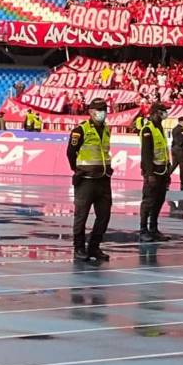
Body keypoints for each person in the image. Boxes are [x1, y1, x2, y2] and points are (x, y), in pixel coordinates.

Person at [67, 98, 113, 262]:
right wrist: (77, 169)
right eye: (99, 109)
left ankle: (94, 247)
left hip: (103, 179)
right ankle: (79, 248)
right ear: (91, 112)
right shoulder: (80, 130)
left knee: (104, 215)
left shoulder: (107, 130)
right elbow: (71, 153)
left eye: (104, 109)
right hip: (85, 180)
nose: (102, 113)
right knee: (81, 216)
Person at [139, 103, 171, 242]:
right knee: (148, 201)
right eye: (163, 111)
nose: (165, 114)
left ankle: (153, 228)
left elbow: (163, 150)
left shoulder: (160, 128)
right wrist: (149, 174)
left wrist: (168, 170)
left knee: (159, 201)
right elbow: (146, 154)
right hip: (153, 172)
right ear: (156, 112)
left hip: (162, 171)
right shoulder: (148, 129)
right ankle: (143, 230)